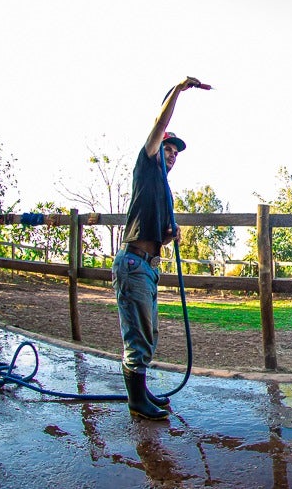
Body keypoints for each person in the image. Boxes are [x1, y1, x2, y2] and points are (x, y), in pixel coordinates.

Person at [112, 76, 203, 420]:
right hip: (133, 263)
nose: (171, 154)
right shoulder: (146, 167)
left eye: (175, 152)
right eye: (167, 147)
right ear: (156, 148)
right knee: (138, 334)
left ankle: (142, 391)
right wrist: (178, 90)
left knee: (147, 333)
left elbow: (159, 235)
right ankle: (137, 402)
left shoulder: (165, 192)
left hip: (149, 265)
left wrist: (170, 235)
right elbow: (159, 123)